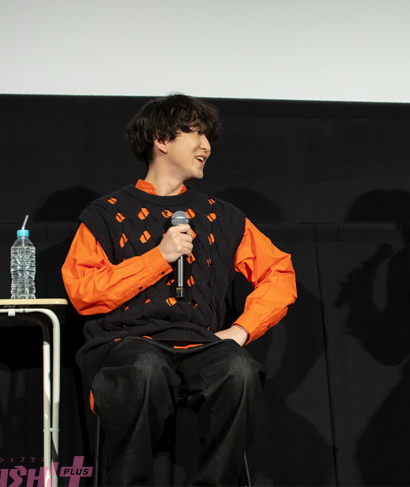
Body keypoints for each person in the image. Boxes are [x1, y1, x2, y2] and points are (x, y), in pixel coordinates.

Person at [62, 93, 297, 486]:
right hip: (127, 344)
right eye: (196, 134)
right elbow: (83, 290)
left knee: (239, 369)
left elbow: (279, 271)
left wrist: (242, 330)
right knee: (144, 367)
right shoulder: (106, 214)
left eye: (208, 137)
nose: (206, 146)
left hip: (200, 345)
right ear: (161, 139)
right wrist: (159, 257)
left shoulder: (222, 217)